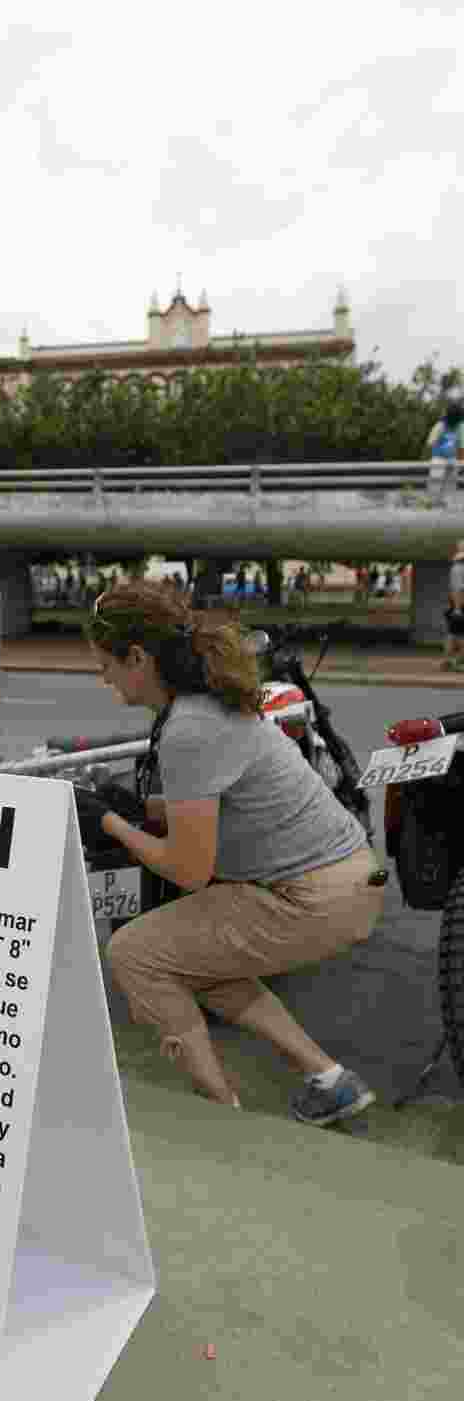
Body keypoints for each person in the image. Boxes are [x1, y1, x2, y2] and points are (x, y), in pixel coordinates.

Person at [74, 579, 386, 1124]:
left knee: (135, 953)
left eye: (106, 667)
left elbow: (189, 871)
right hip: (339, 879)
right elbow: (210, 807)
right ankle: (330, 1080)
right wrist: (131, 807)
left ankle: (223, 1115)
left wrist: (106, 820)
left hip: (313, 896)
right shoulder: (201, 704)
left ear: (139, 658)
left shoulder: (189, 728)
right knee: (192, 957)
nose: (103, 680)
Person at [425, 394, 464, 496]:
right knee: (435, 485)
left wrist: (460, 463)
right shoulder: (440, 426)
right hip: (438, 458)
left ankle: (449, 503)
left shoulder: (460, 427)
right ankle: (433, 500)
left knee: (451, 486)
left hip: (453, 459)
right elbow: (430, 444)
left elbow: (461, 447)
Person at [442, 540, 464, 671]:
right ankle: (458, 662)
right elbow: (458, 589)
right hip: (460, 605)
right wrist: (457, 608)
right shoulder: (459, 569)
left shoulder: (457, 568)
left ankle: (449, 661)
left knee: (453, 634)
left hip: (457, 605)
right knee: (457, 635)